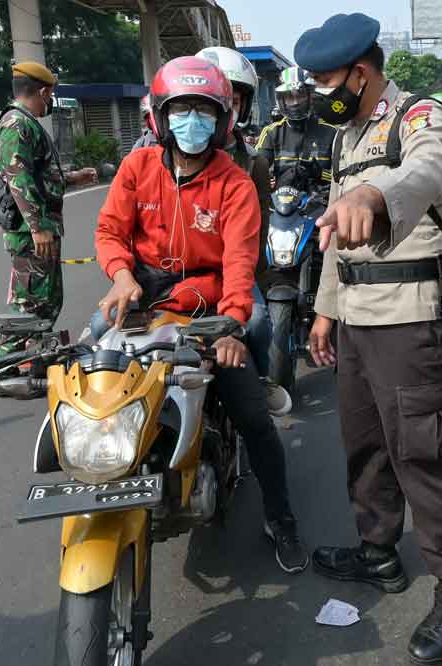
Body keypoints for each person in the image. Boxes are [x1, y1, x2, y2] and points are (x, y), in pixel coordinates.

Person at [297, 13, 442, 666]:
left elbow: (430, 172)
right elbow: (333, 239)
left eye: (325, 80)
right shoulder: (346, 137)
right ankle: (380, 554)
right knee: (366, 448)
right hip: (355, 315)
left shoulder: (418, 116)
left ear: (362, 72)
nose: (319, 92)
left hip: (410, 316)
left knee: (421, 455)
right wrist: (323, 315)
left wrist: (376, 190)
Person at [94, 56, 308, 571]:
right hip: (144, 301)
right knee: (95, 354)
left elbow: (239, 262)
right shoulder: (137, 168)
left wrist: (232, 323)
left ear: (223, 119)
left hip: (210, 308)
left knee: (254, 415)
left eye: (205, 111)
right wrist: (122, 275)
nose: (193, 121)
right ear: (160, 117)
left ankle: (281, 520)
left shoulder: (235, 182)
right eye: (182, 110)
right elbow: (109, 232)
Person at [196, 46, 291, 416]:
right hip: (172, 273)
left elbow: (258, 230)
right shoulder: (154, 156)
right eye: (207, 100)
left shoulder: (252, 162)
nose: (219, 108)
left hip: (233, 269)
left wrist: (255, 277)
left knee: (258, 322)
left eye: (229, 99)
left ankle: (258, 384)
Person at [0, 61, 97, 362]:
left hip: (39, 228)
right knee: (30, 300)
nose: (49, 103)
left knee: (47, 298)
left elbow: (38, 175)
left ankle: (31, 357)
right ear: (42, 91)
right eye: (49, 97)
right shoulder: (16, 124)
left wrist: (74, 177)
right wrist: (38, 227)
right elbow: (18, 178)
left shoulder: (26, 123)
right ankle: (8, 362)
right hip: (30, 232)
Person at [256, 67, 337, 192]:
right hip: (281, 204)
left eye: (300, 95)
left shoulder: (331, 131)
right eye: (289, 96)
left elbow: (343, 178)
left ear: (310, 95)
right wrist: (266, 178)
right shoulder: (271, 132)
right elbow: (257, 169)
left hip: (320, 203)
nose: (295, 102)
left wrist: (320, 173)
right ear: (281, 100)